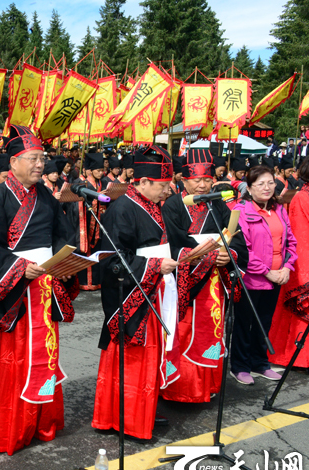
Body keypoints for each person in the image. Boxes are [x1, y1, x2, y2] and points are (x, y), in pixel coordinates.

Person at [0, 125, 78, 455]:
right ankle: (12, 427)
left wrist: (60, 260)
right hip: (14, 290)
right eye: (32, 158)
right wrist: (17, 269)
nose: (40, 164)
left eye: (42, 158)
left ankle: (42, 423)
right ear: (13, 162)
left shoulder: (44, 195)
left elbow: (63, 233)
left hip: (45, 284)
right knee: (14, 360)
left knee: (46, 355)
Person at [92, 147, 178, 441]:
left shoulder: (152, 204)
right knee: (133, 361)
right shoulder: (122, 208)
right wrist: (154, 265)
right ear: (142, 182)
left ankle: (144, 411)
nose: (167, 191)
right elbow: (113, 259)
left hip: (153, 288)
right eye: (163, 185)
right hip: (132, 295)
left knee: (151, 358)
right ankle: (125, 419)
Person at [161, 149, 247, 403]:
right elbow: (171, 241)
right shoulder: (173, 205)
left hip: (213, 283)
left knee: (212, 331)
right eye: (196, 180)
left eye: (207, 179)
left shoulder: (217, 203)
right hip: (185, 281)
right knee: (183, 331)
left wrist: (228, 253)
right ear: (183, 180)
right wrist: (202, 254)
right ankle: (179, 389)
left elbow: (236, 237)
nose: (202, 184)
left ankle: (206, 387)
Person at [230, 165, 297, 384]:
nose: (267, 188)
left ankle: (259, 363)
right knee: (245, 323)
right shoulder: (241, 210)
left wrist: (287, 267)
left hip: (278, 275)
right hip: (251, 278)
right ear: (249, 187)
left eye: (270, 182)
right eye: (261, 184)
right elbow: (243, 249)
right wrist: (267, 272)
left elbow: (290, 242)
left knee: (264, 323)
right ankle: (240, 366)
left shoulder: (279, 209)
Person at [270, 158, 309, 368]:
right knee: (301, 309)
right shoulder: (302, 197)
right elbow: (299, 234)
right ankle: (299, 356)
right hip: (304, 259)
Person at [69, 152, 109, 291]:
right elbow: (74, 205)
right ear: (90, 171)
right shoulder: (81, 184)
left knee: (98, 251)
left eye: (102, 170)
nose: (101, 173)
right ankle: (85, 282)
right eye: (98, 171)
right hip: (85, 221)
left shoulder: (102, 183)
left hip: (99, 221)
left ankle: (96, 281)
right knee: (86, 251)